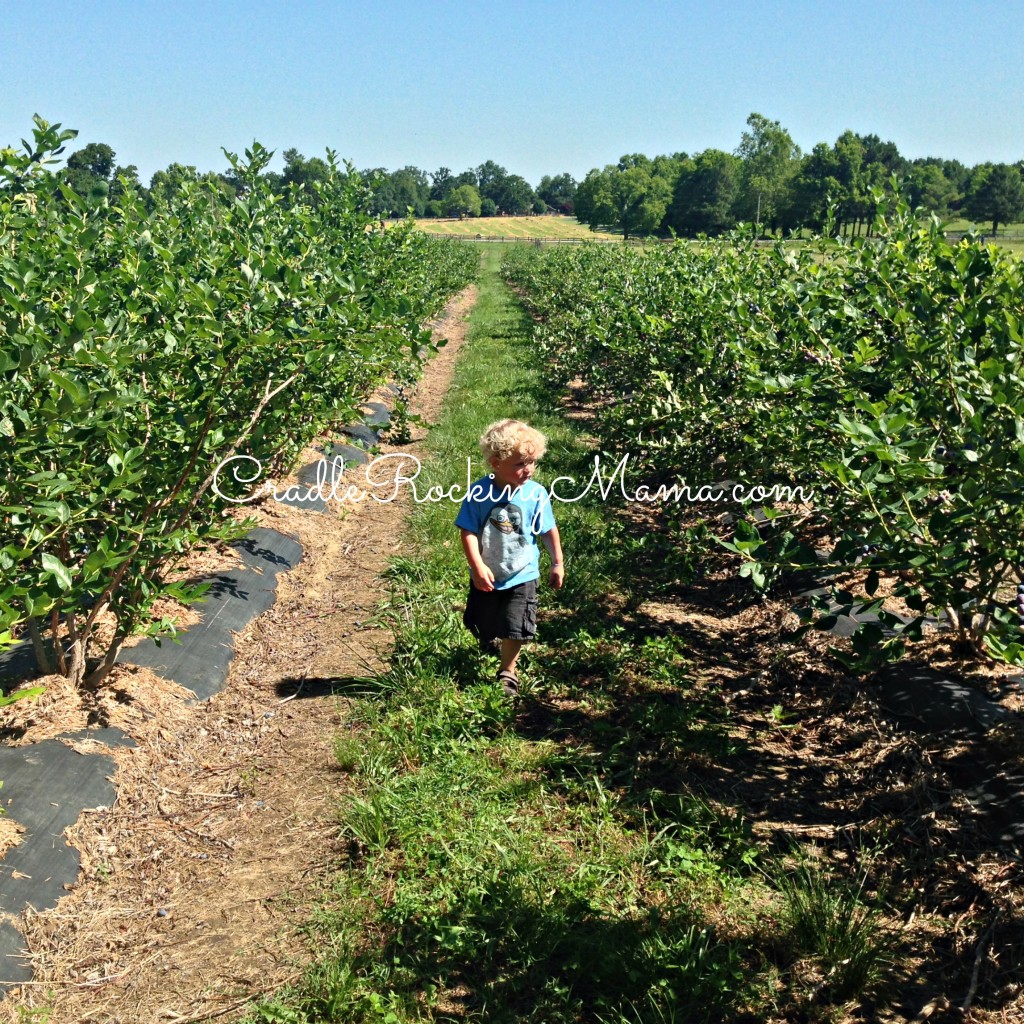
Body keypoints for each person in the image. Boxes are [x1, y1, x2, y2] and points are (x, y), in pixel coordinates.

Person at [455, 419, 564, 694]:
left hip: (523, 571)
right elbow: (467, 531)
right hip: (489, 571)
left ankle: (507, 672)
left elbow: (548, 529)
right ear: (496, 462)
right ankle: (486, 638)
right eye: (519, 463)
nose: (528, 469)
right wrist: (477, 565)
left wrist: (557, 562)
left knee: (515, 625)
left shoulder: (535, 494)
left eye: (532, 462)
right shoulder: (479, 493)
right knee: (479, 622)